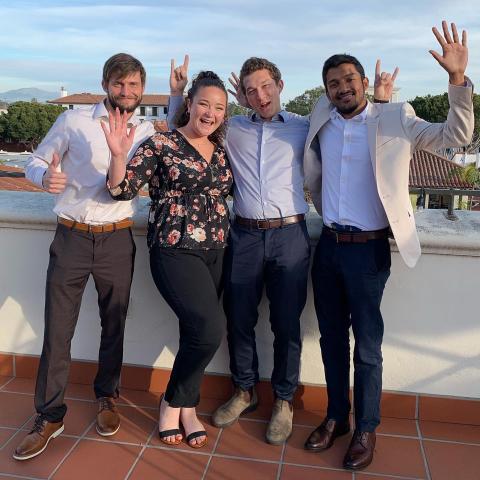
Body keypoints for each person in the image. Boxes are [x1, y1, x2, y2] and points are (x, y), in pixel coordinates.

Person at [303, 21, 473, 470]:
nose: (342, 88)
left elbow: (456, 138)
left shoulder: (396, 117)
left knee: (368, 346)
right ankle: (337, 416)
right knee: (331, 339)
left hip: (369, 251)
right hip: (329, 246)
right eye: (333, 83)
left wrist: (457, 80)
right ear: (326, 91)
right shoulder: (320, 116)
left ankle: (366, 428)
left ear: (363, 82)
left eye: (348, 80)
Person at [13, 54, 155, 461]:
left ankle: (107, 397)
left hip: (117, 239)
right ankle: (50, 415)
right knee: (58, 329)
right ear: (105, 84)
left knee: (114, 324)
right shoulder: (73, 121)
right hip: (72, 238)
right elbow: (37, 162)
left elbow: (178, 139)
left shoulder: (144, 130)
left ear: (142, 89)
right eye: (118, 84)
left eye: (133, 86)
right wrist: (46, 177)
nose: (125, 92)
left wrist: (180, 96)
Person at [169, 56, 311, 445]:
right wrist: (177, 95)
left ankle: (284, 399)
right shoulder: (232, 129)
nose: (260, 95)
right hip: (244, 236)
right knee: (238, 319)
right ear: (242, 97)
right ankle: (244, 391)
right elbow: (179, 135)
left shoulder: (304, 127)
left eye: (266, 86)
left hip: (290, 237)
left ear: (280, 84)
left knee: (286, 324)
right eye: (250, 90)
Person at [103, 69, 232, 449]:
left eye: (219, 108)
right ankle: (172, 401)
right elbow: (121, 190)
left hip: (217, 249)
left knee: (194, 332)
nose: (210, 113)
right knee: (210, 329)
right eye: (204, 104)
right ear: (189, 104)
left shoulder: (221, 149)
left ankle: (188, 408)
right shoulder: (161, 145)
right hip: (174, 249)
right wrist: (116, 155)